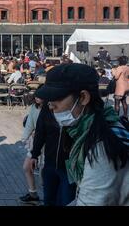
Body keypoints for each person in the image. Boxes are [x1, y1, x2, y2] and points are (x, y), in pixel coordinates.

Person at [34, 63, 128, 206]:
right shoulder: (89, 130)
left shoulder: (102, 147)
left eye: (56, 98)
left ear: (83, 97)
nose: (51, 106)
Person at [19, 95, 43, 204]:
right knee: (26, 167)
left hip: (48, 145)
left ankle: (48, 198)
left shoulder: (52, 107)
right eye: (37, 95)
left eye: (41, 95)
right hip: (36, 144)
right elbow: (30, 123)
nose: (37, 97)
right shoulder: (34, 107)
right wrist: (25, 136)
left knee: (45, 175)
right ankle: (33, 193)